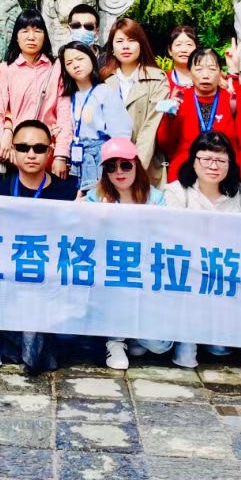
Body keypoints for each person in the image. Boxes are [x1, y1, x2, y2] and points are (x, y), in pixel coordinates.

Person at [0, 119, 78, 376]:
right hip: (9, 276)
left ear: (50, 151)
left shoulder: (68, 191)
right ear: (13, 150)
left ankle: (25, 343)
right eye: (23, 148)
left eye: (39, 148)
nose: (31, 154)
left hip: (50, 277)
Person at [164, 131, 241, 367]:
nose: (213, 166)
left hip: (227, 265)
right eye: (206, 159)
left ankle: (216, 333)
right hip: (189, 264)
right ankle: (187, 339)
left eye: (221, 160)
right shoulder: (176, 191)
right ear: (193, 161)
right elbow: (174, 235)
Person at [85, 137, 171, 370]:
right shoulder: (95, 197)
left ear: (136, 165)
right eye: (111, 167)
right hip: (109, 271)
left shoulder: (155, 198)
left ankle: (131, 334)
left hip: (146, 270)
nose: (119, 172)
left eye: (125, 165)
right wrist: (96, 218)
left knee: (161, 345)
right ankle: (115, 340)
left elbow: (164, 237)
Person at [156, 47, 241, 187]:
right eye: (199, 69)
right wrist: (170, 116)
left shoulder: (231, 100)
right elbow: (165, 145)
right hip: (184, 179)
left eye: (212, 69)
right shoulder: (179, 100)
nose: (205, 75)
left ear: (220, 72)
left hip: (225, 179)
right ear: (189, 72)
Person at [0, 10, 61, 183]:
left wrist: (61, 154)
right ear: (16, 37)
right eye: (25, 31)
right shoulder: (7, 69)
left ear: (45, 36)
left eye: (37, 31)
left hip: (47, 152)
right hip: (17, 153)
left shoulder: (56, 67)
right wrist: (2, 148)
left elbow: (63, 113)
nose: (31, 37)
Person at [55, 43, 132, 193]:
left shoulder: (105, 92)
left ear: (92, 59)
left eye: (80, 59)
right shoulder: (69, 97)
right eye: (69, 63)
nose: (75, 65)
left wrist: (116, 165)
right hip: (77, 159)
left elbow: (122, 133)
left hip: (102, 158)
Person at [100, 18, 169, 174]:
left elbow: (151, 127)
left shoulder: (157, 79)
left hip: (145, 167)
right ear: (112, 47)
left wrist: (134, 168)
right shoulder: (103, 81)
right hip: (110, 166)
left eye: (131, 40)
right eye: (119, 41)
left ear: (141, 44)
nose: (125, 46)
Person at [167, 25, 199, 92]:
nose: (184, 50)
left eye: (189, 44)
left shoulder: (210, 78)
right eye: (178, 44)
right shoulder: (163, 80)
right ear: (170, 50)